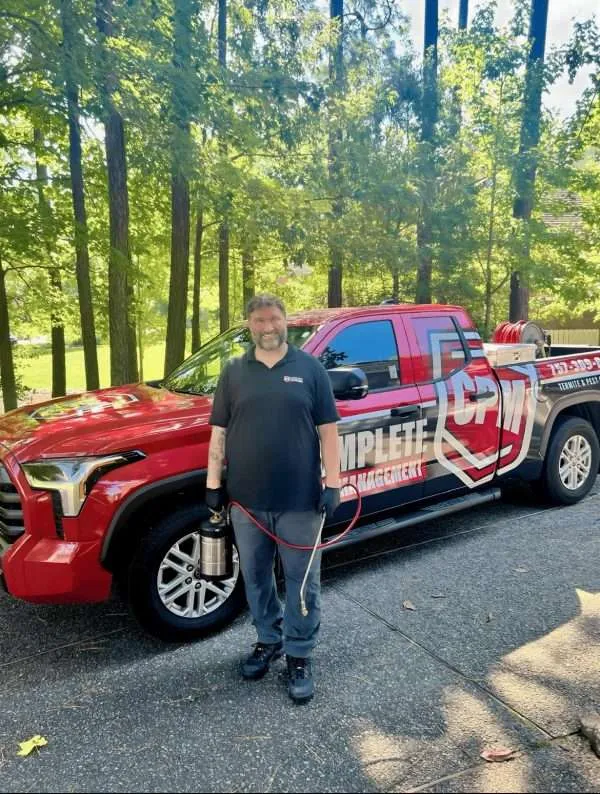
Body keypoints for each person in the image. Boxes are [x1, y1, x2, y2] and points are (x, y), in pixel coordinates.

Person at [205, 294, 341, 704]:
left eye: (275, 319)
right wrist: (214, 484)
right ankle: (269, 638)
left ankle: (299, 654)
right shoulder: (233, 372)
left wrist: (332, 481)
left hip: (300, 499)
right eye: (260, 321)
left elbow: (329, 430)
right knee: (257, 577)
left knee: (302, 584)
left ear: (286, 322)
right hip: (245, 502)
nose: (268, 327)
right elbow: (219, 433)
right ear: (249, 325)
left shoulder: (309, 368)